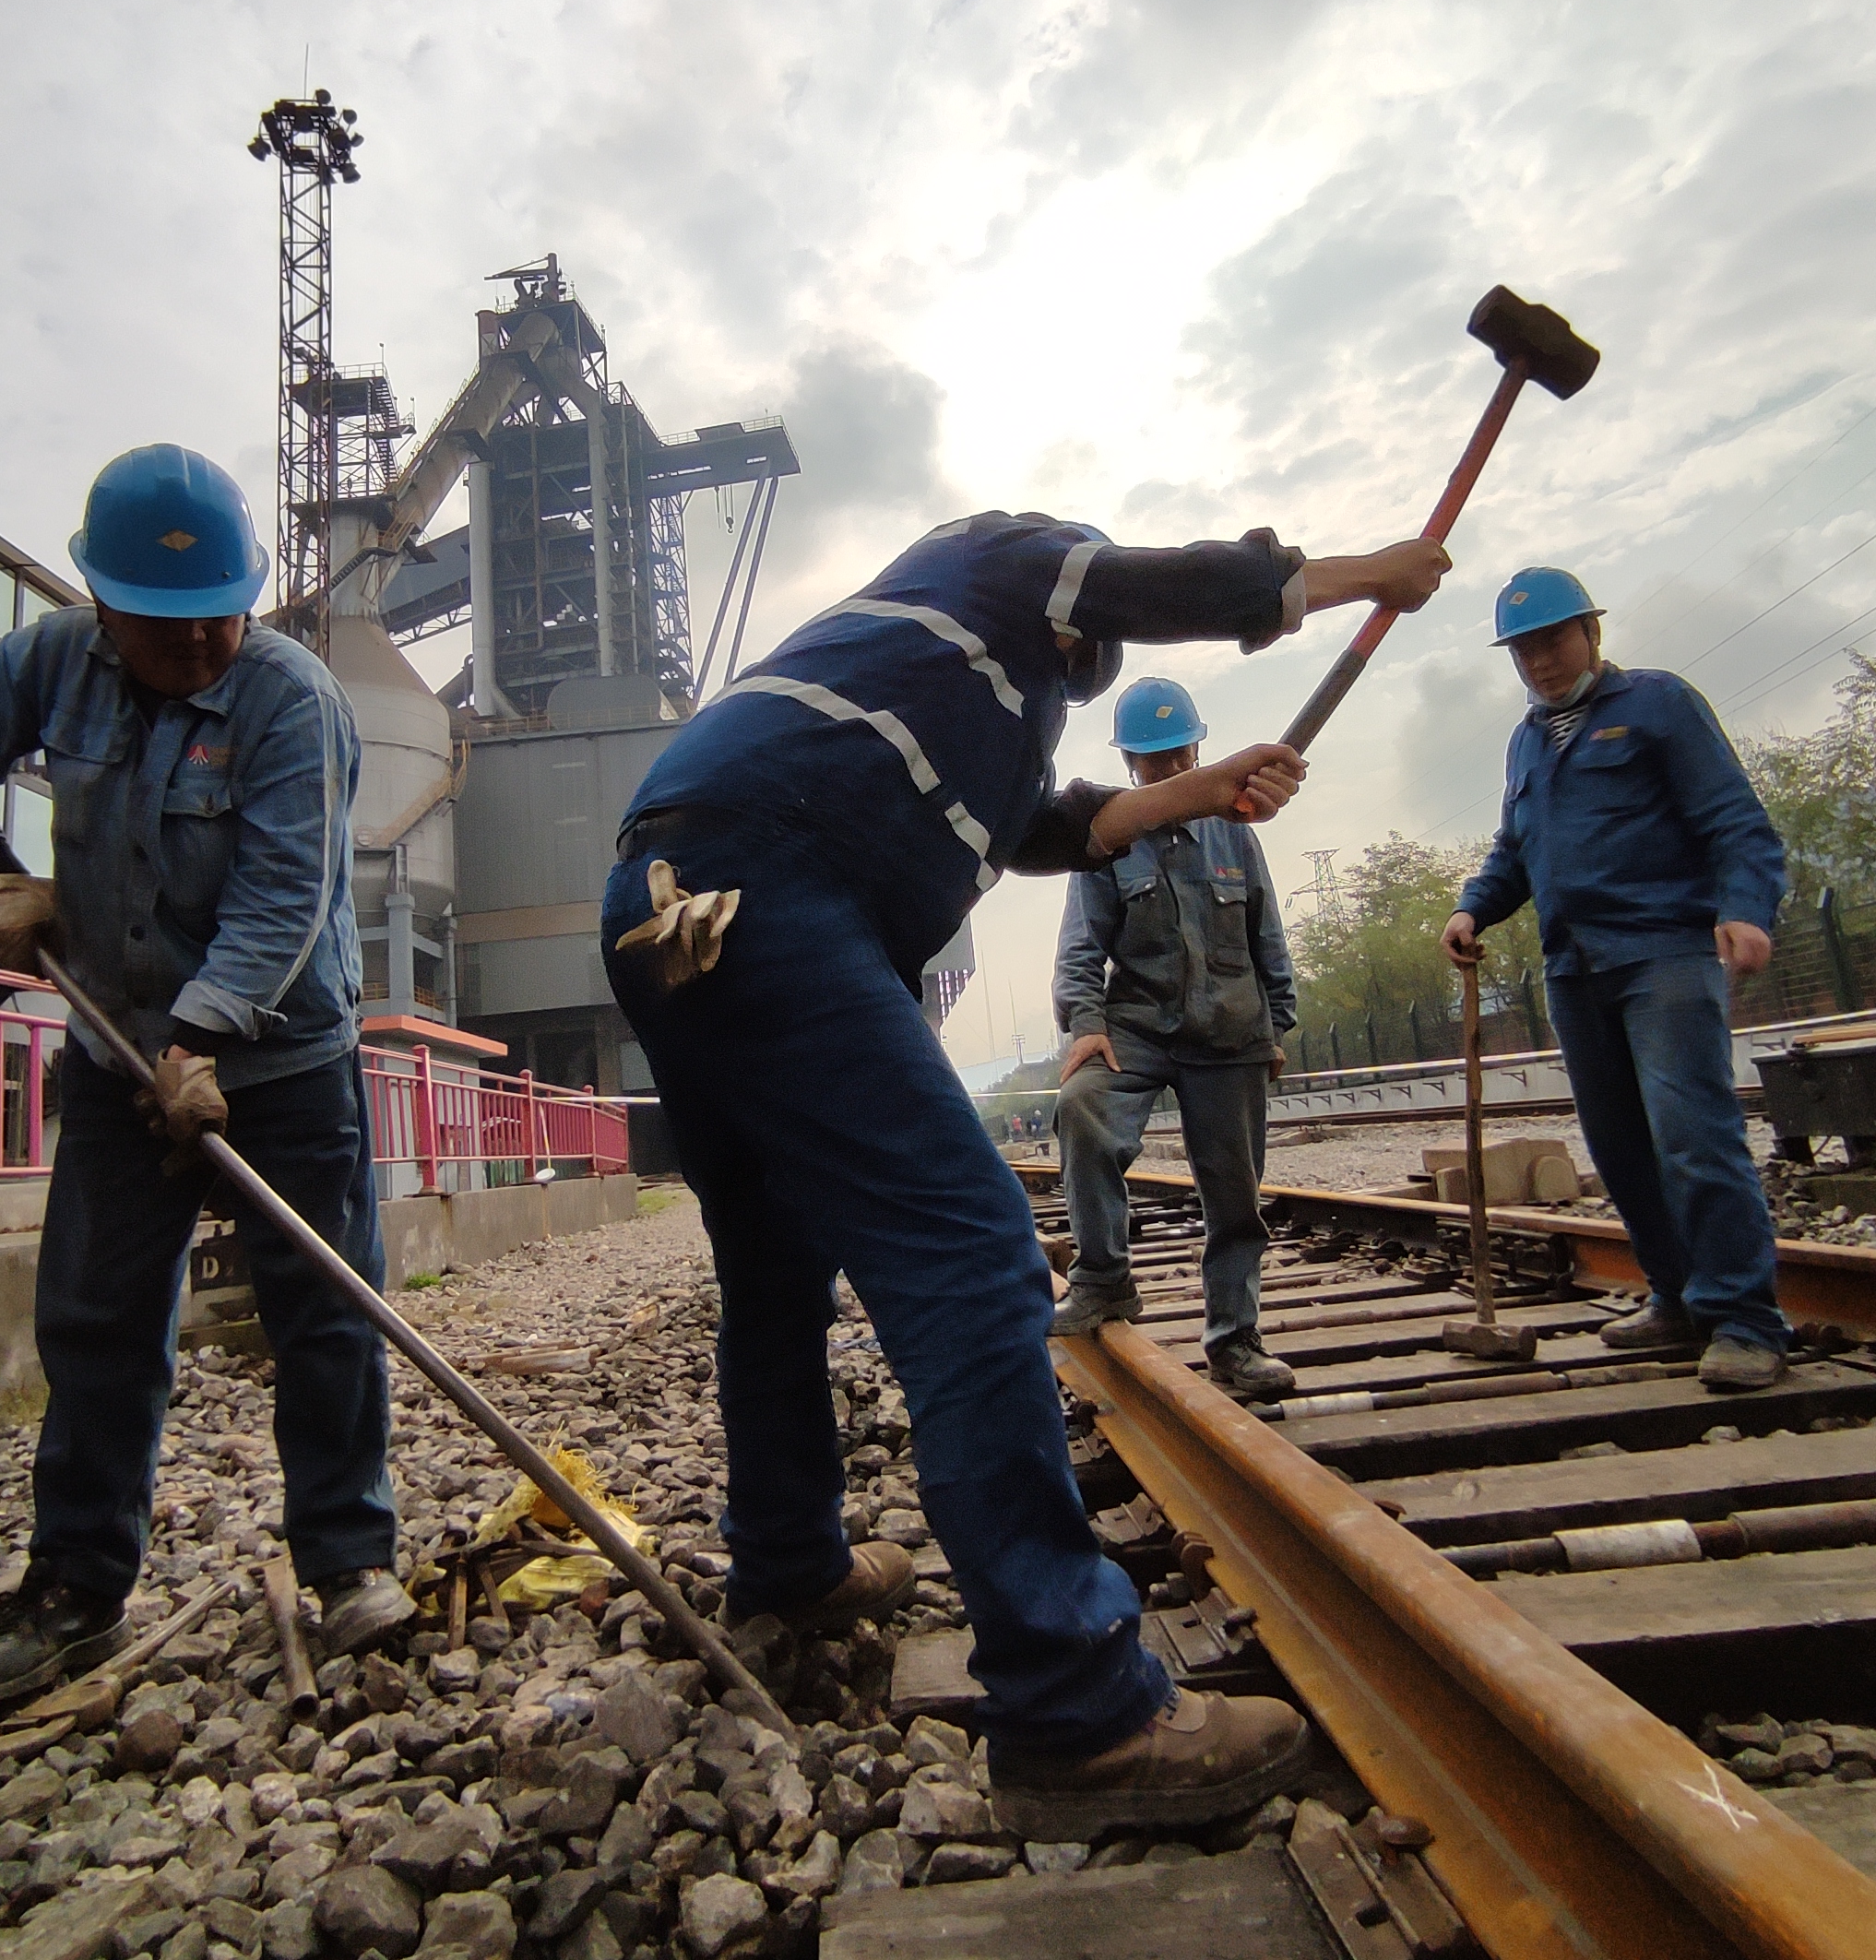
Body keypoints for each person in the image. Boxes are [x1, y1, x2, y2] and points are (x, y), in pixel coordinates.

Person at [605, 510, 1448, 1837]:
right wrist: (1359, 576)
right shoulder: (993, 560)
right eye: (1088, 641)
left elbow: (1061, 826)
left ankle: (789, 1563)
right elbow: (1193, 580)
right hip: (765, 886)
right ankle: (1078, 1710)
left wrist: (1207, 786)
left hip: (670, 907)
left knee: (773, 1268)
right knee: (978, 1256)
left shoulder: (959, 729)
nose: (1080, 660)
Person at [0, 444, 409, 1711]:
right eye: (164, 626)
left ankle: (348, 1563)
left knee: (323, 1315)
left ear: (248, 593)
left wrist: (205, 1039)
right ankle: (75, 1589)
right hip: (117, 1052)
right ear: (103, 605)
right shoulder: (53, 663)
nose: (197, 645)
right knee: (101, 1322)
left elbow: (286, 894)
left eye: (219, 616)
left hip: (285, 1060)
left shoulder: (294, 700)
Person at [1440, 566, 1792, 1390]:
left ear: (1592, 633)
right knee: (1622, 1150)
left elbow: (1734, 818)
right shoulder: (1528, 740)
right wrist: (1470, 911)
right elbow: (1517, 852)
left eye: (1553, 639)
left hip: (1662, 955)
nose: (1539, 660)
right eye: (1522, 648)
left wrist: (1746, 908)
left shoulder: (1660, 705)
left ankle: (1745, 1320)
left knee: (1693, 1138)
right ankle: (1677, 1300)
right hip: (1575, 966)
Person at [1048, 676, 1300, 1398]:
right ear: (1130, 763)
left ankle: (1235, 1339)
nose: (1165, 769)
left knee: (1234, 1194)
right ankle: (1103, 1281)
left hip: (1230, 1030)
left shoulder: (1235, 830)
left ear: (1197, 749)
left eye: (1175, 754)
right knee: (1084, 1108)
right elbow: (1079, 947)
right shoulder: (1108, 837)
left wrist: (1275, 1024)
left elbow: (1266, 933)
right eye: (1150, 760)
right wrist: (1087, 1026)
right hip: (1138, 1029)